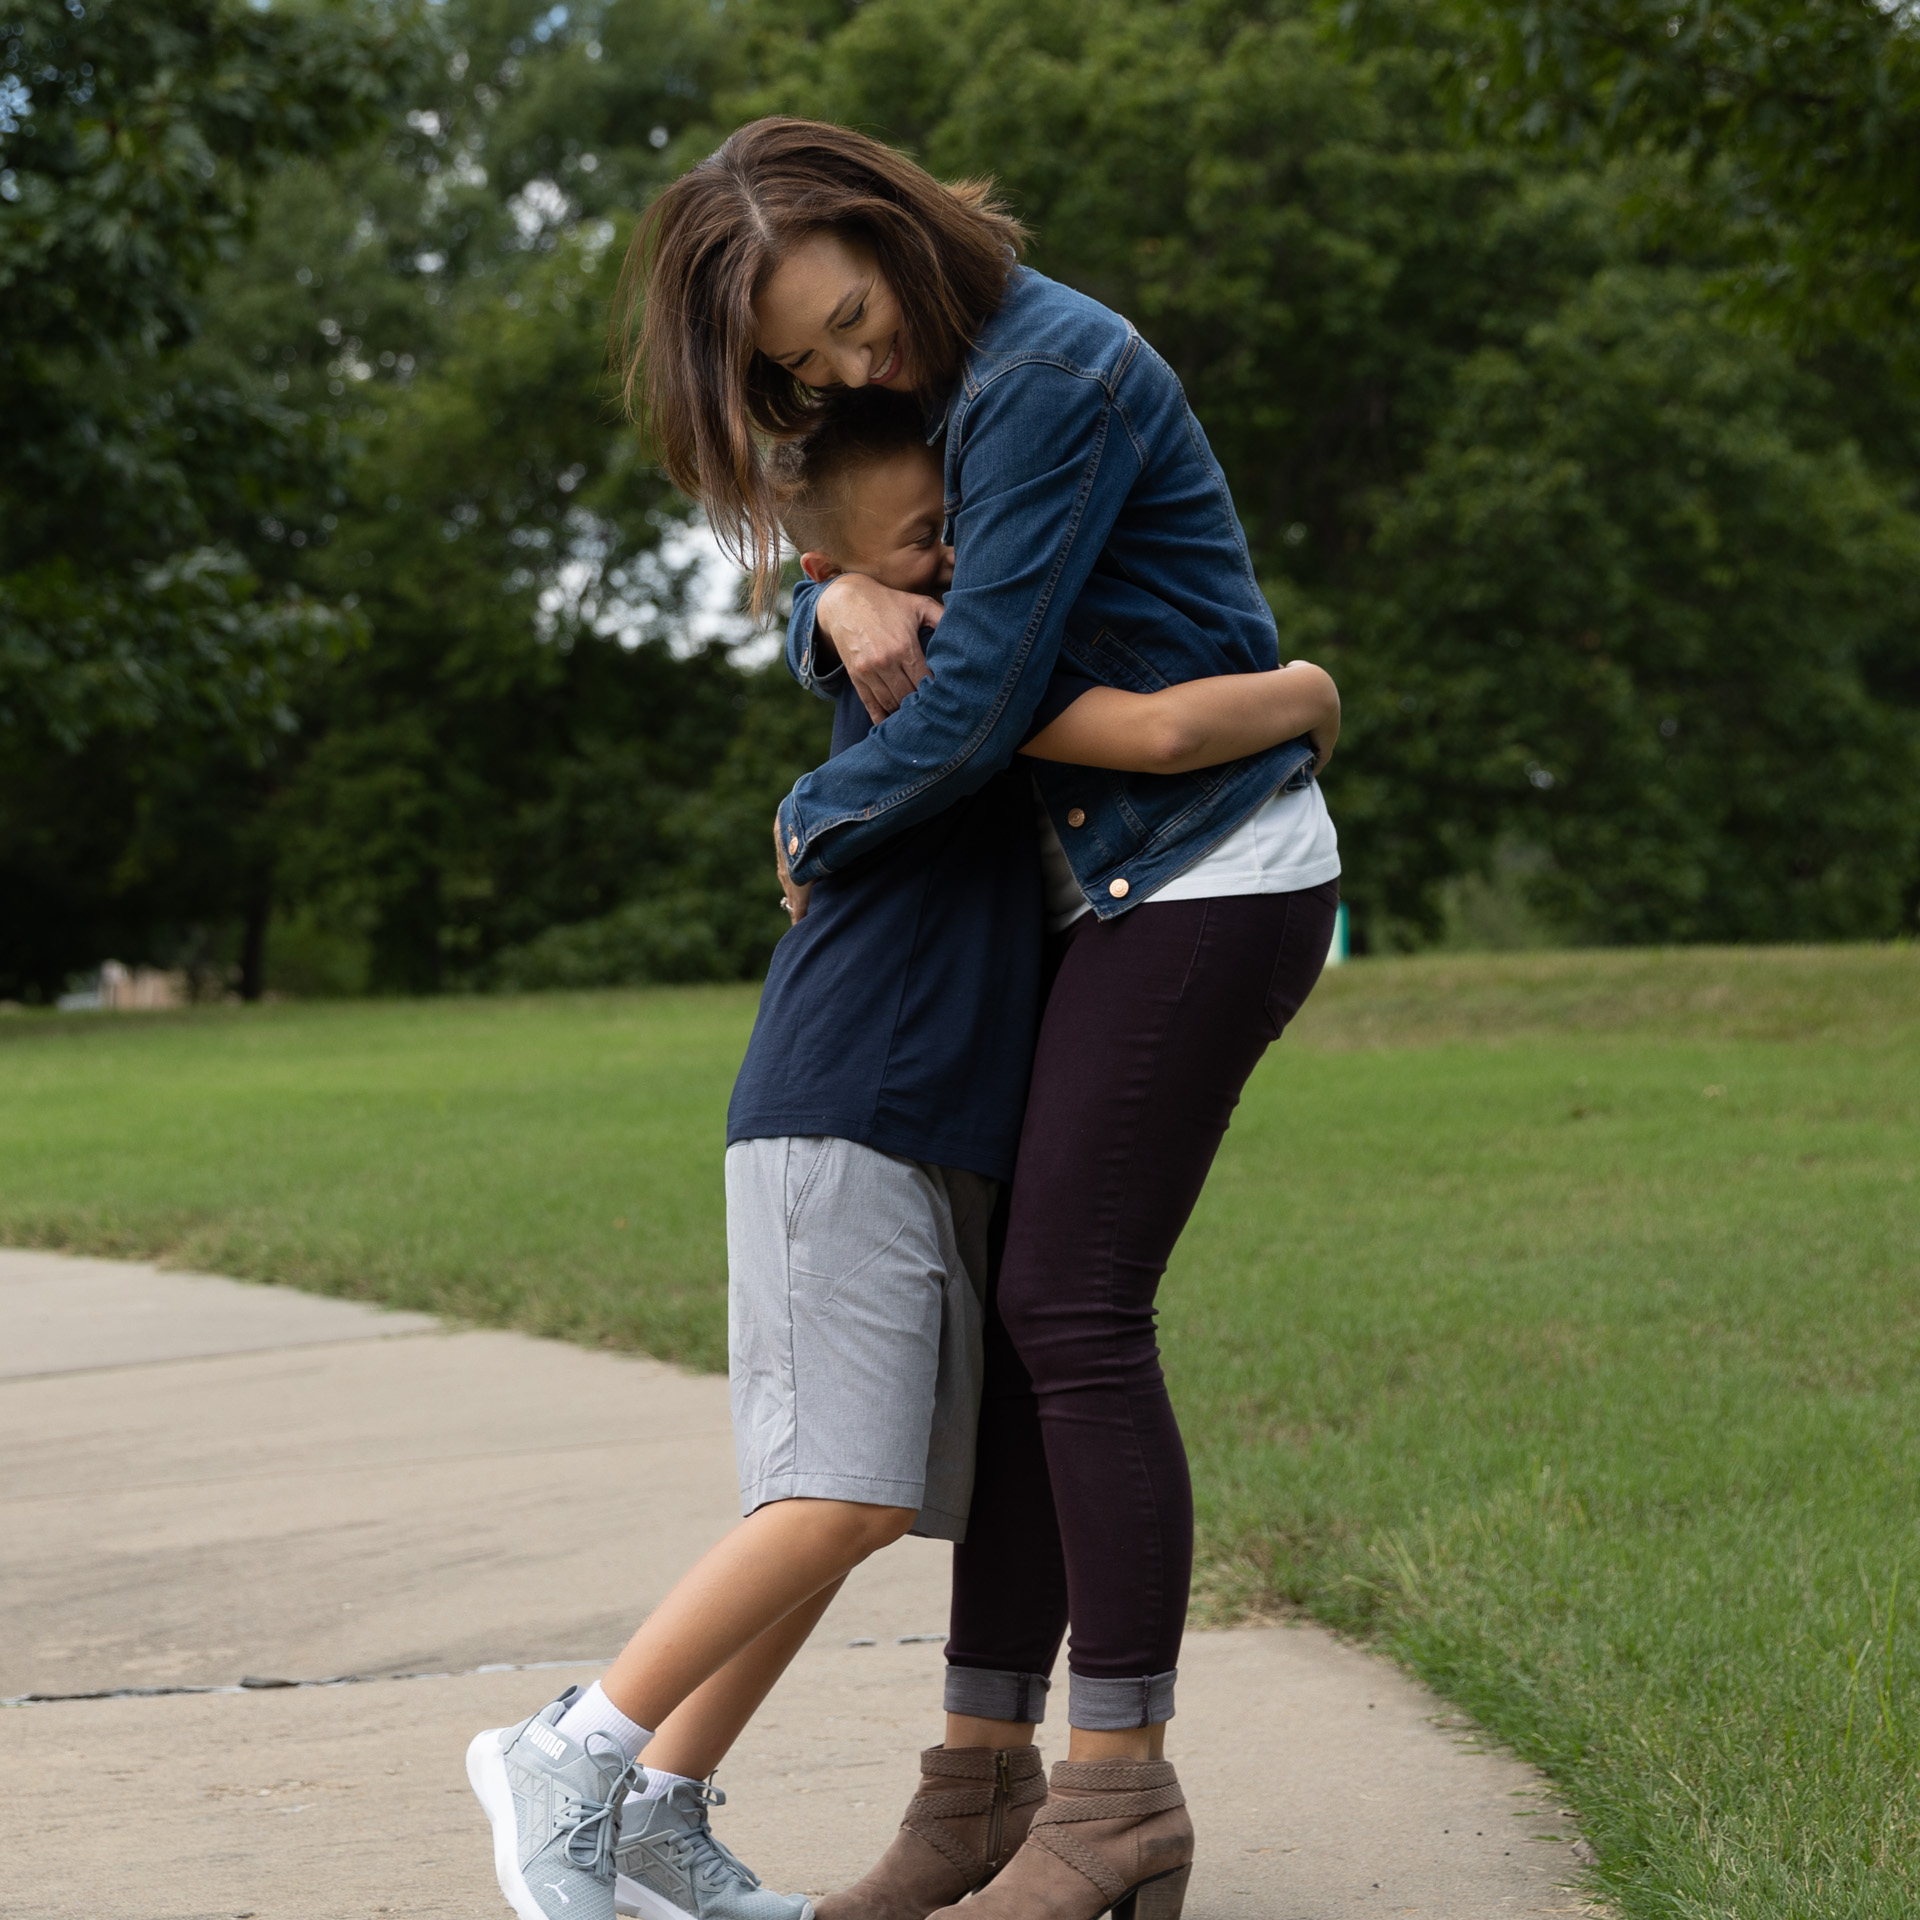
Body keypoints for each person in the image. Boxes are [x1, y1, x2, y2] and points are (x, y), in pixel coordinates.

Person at [464, 393, 1340, 1920]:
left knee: (849, 1492)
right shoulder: (946, 674)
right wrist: (1313, 685)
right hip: (844, 1110)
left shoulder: (908, 632)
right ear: (840, 560)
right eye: (930, 537)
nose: (962, 555)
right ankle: (574, 1748)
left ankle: (665, 1792)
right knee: (841, 1498)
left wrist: (839, 585)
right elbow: (1164, 730)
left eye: (959, 523)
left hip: (927, 1118)